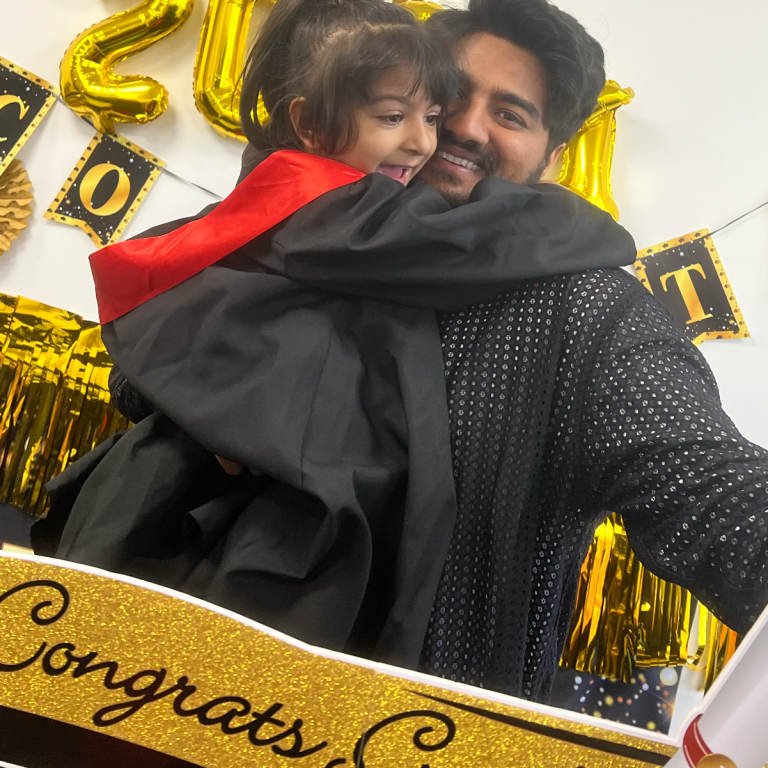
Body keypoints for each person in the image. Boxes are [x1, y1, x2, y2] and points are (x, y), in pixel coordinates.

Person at [32, 0, 634, 684]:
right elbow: (137, 368)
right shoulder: (320, 202)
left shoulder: (582, 308)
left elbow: (683, 464)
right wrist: (224, 402)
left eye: (510, 114)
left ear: (555, 156)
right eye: (435, 104)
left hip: (388, 652)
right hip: (198, 558)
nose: (449, 132)